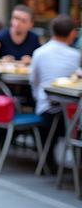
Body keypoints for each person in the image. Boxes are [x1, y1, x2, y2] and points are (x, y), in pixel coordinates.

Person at [30, 15, 81, 174]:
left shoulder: (39, 52)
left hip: (47, 109)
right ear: (72, 33)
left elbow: (34, 81)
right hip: (70, 114)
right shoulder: (75, 55)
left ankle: (46, 159)